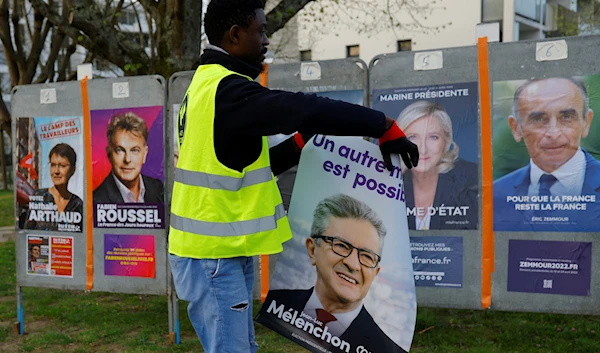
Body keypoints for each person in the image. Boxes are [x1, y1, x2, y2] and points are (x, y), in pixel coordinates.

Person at [167, 1, 419, 352]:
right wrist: (382, 126)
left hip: (219, 252)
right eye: (261, 31)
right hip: (212, 257)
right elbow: (305, 108)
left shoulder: (206, 86)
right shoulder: (229, 92)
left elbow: (248, 166)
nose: (267, 41)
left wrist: (299, 143)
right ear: (235, 35)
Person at [256, 194, 406, 353]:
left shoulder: (386, 349)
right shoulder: (279, 303)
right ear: (312, 250)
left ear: (375, 273)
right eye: (341, 246)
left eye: (367, 256)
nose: (353, 264)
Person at [494, 77, 600, 231]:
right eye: (538, 119)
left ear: (586, 123)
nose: (553, 133)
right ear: (516, 128)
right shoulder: (496, 195)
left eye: (567, 117)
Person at [396, 101, 478, 230]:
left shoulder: (471, 179)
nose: (422, 149)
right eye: (412, 138)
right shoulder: (387, 183)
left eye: (433, 137)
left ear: (446, 141)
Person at [93, 112, 164, 204]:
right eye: (120, 150)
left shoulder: (158, 189)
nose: (127, 159)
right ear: (109, 154)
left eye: (135, 150)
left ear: (144, 154)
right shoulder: (96, 200)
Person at [23, 143, 83, 232]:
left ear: (73, 170)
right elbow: (27, 235)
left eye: (62, 166)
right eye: (53, 165)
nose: (56, 171)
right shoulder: (39, 197)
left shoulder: (78, 204)